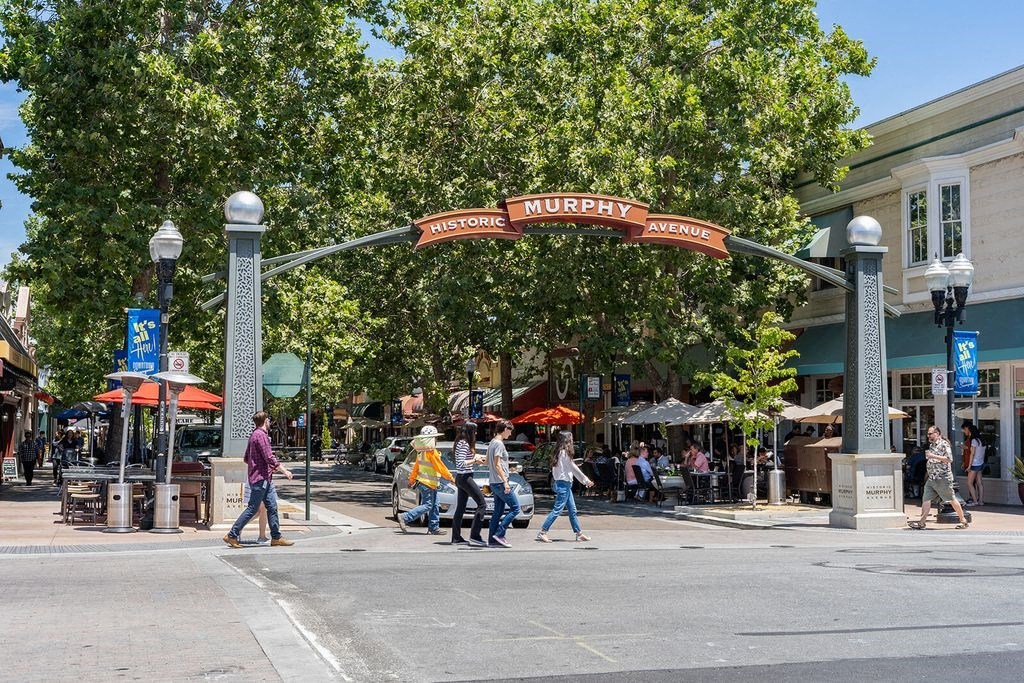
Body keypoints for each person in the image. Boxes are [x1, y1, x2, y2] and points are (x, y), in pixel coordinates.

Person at [224, 411, 296, 547]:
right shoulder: (261, 436)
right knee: (252, 508)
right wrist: (284, 470)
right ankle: (232, 535)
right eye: (268, 420)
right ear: (265, 421)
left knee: (272, 507)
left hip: (262, 478)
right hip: (261, 478)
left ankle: (276, 537)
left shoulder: (253, 435)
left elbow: (246, 458)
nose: (269, 422)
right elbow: (269, 457)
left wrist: (261, 466)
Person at [536, 431, 593, 543]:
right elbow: (573, 468)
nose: (572, 441)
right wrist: (586, 480)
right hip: (564, 485)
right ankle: (542, 532)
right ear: (567, 440)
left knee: (572, 510)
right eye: (571, 438)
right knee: (557, 510)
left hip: (563, 484)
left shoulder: (558, 452)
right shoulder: (564, 453)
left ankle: (579, 533)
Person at [397, 425, 454, 535]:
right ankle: (405, 517)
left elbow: (416, 467)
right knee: (428, 505)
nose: (436, 440)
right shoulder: (431, 452)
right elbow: (440, 467)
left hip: (426, 483)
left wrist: (412, 480)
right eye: (435, 438)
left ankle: (433, 527)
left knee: (435, 504)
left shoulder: (422, 452)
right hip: (428, 483)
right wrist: (451, 478)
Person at [908, 426, 968, 530]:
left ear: (937, 433)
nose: (928, 436)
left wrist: (933, 456)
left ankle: (963, 520)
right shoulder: (931, 445)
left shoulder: (944, 444)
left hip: (942, 478)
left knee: (951, 499)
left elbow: (949, 459)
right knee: (926, 499)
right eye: (928, 434)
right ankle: (922, 523)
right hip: (932, 478)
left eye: (930, 433)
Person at [450, 422, 488, 546]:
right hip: (465, 477)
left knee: (460, 508)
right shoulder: (464, 443)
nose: (476, 433)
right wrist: (474, 460)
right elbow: (461, 463)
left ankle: (456, 537)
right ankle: (475, 535)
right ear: (470, 432)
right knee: (482, 504)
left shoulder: (460, 442)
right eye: (475, 431)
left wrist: (477, 459)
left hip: (461, 478)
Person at [486, 419, 519, 547]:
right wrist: (505, 482)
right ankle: (500, 534)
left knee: (498, 511)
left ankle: (492, 540)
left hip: (494, 482)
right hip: (500, 482)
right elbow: (497, 464)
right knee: (515, 508)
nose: (510, 434)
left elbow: (488, 462)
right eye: (510, 431)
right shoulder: (499, 444)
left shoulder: (492, 442)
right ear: (505, 429)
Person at [240, 480, 269, 545]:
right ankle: (237, 528)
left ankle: (237, 528)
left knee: (261, 509)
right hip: (258, 481)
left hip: (261, 480)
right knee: (261, 508)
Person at [963, 422, 985, 506]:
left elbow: (972, 454)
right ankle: (981, 501)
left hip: (975, 464)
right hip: (981, 463)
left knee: (969, 483)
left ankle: (975, 501)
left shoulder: (973, 441)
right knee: (980, 483)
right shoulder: (981, 440)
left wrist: (969, 466)